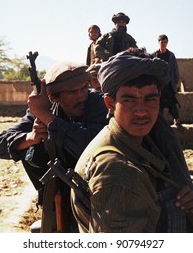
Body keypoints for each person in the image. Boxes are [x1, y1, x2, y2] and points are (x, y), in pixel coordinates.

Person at [71, 50, 193, 233]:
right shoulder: (117, 171)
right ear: (110, 104)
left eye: (150, 99)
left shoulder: (139, 143)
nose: (141, 111)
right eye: (129, 100)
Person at [0, 61, 109, 232]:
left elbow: (90, 147)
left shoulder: (98, 103)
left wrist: (49, 119)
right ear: (54, 97)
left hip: (97, 197)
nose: (81, 96)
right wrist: (30, 138)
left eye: (84, 88)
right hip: (57, 198)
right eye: (72, 92)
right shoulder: (44, 107)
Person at [152, 34, 183, 128]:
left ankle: (177, 121)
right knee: (159, 104)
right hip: (159, 84)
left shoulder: (170, 55)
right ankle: (159, 124)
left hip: (169, 84)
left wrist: (175, 80)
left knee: (172, 103)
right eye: (162, 42)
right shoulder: (154, 55)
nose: (163, 44)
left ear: (167, 43)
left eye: (165, 42)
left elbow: (175, 69)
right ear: (158, 43)